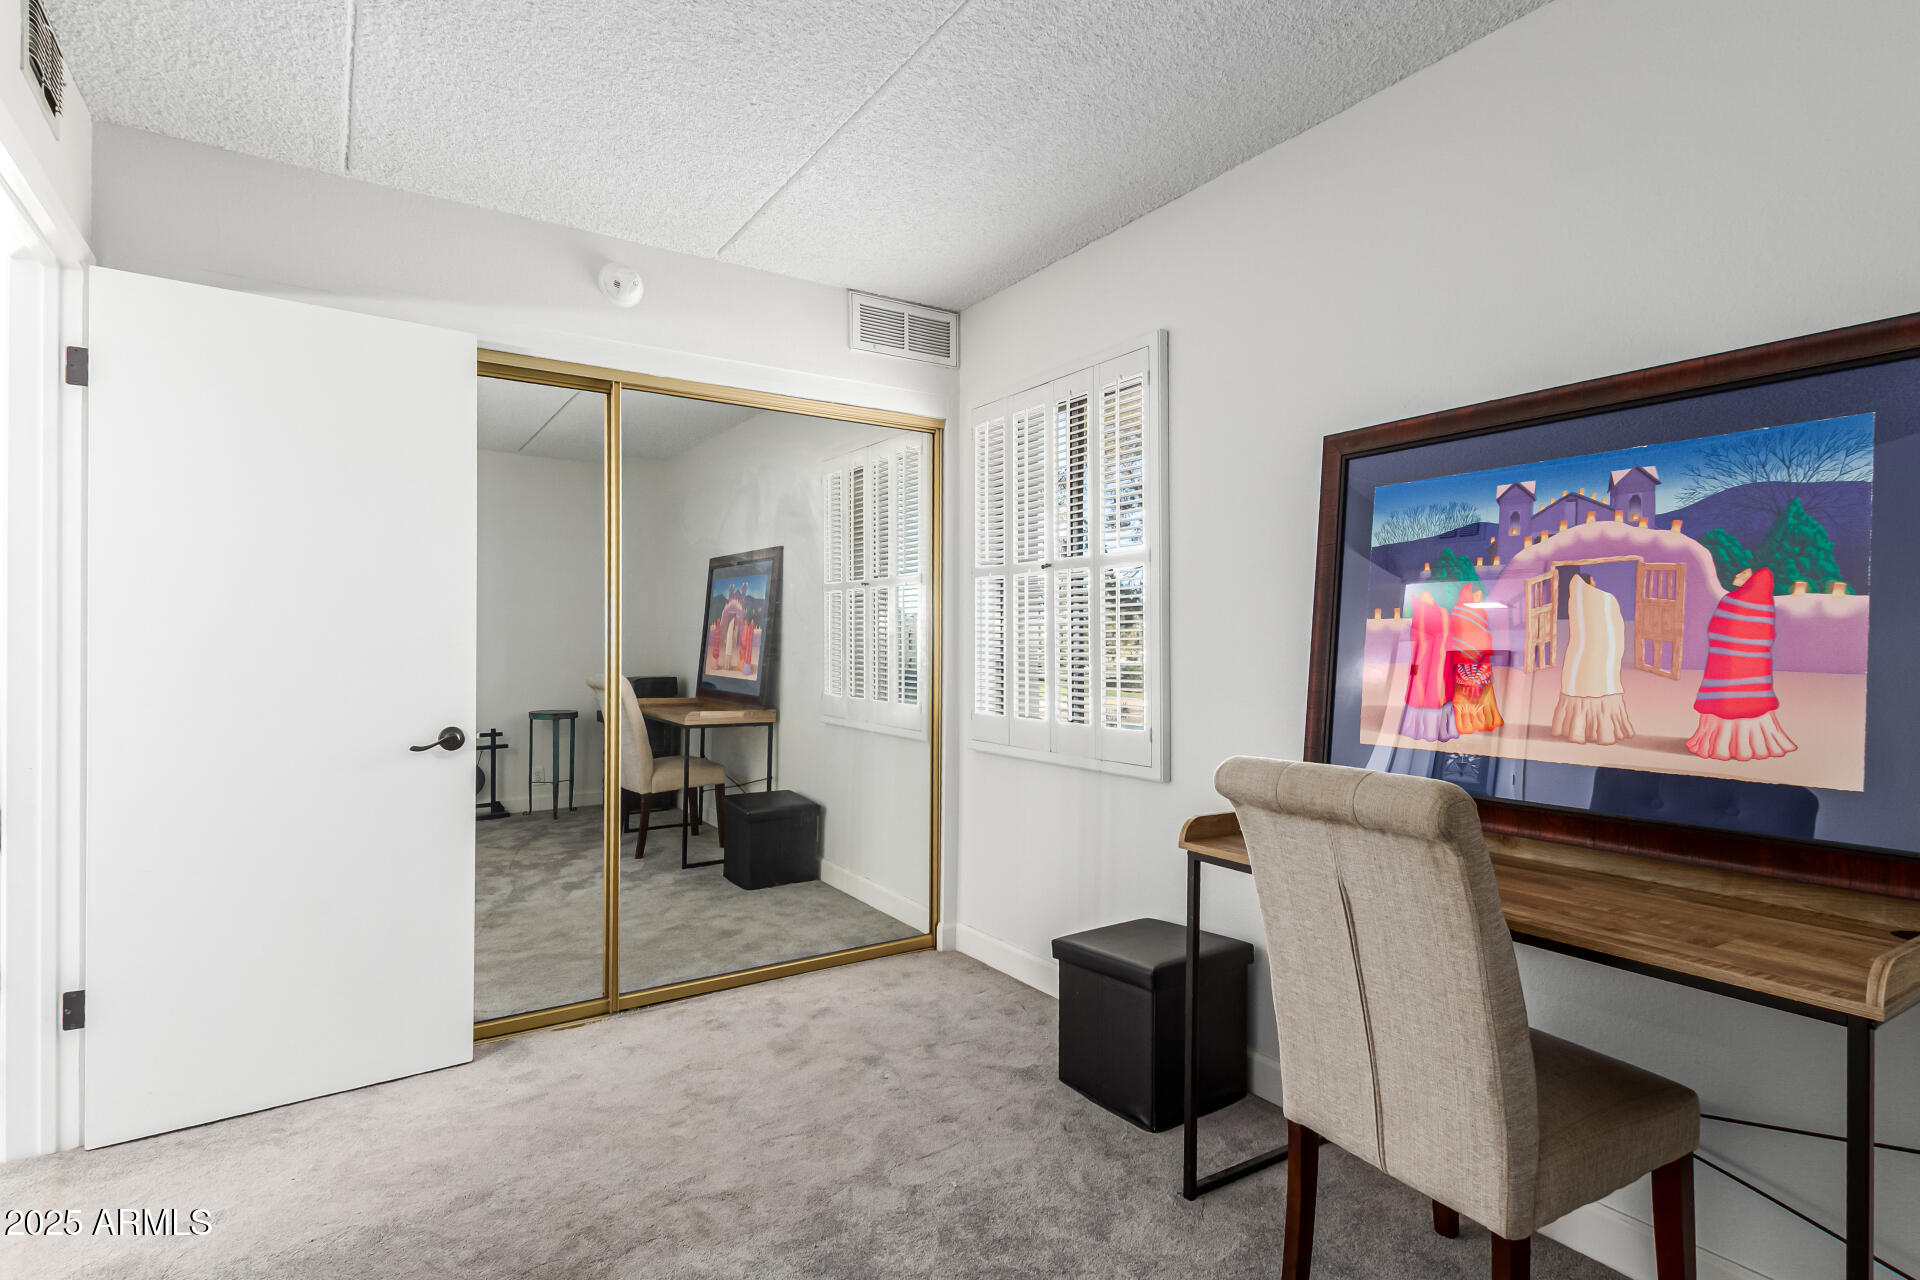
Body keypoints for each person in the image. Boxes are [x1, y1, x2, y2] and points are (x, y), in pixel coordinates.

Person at [1687, 566, 1797, 761]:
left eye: (1744, 573)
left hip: (1727, 662)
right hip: (1751, 664)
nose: (1738, 575)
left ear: (1751, 579)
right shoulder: (1764, 604)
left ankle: (1722, 743)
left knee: (1726, 694)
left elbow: (1719, 629)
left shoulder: (1733, 600)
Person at [1553, 573, 1634, 745]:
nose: (1596, 583)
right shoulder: (1599, 600)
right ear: (1588, 583)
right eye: (1593, 581)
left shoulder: (1578, 600)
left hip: (1579, 655)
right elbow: (1610, 625)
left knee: (1581, 680)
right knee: (1598, 680)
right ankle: (1600, 731)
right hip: (1594, 654)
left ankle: (1577, 729)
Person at [1397, 591, 1458, 743]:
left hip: (1438, 662)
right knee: (1426, 688)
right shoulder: (1426, 612)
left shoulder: (1441, 614)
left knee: (1436, 688)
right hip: (1426, 662)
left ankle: (1433, 729)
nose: (1426, 597)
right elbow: (1420, 636)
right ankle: (1430, 729)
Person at [1448, 584, 1504, 735]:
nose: (1478, 599)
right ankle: (1464, 722)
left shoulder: (1481, 613)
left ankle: (1482, 720)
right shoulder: (1457, 613)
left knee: (1483, 680)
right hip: (1461, 663)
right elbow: (1456, 639)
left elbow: (1483, 635)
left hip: (1480, 660)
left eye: (1480, 596)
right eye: (1476, 596)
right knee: (1464, 684)